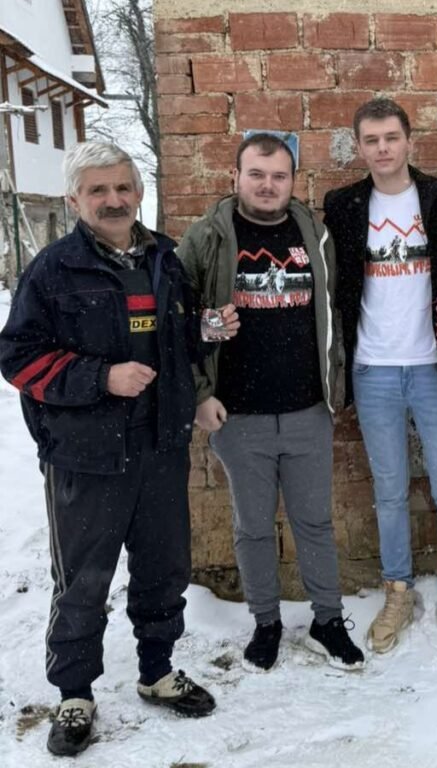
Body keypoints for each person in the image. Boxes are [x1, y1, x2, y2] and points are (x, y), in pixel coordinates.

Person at [0, 142, 223, 756]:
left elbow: (180, 336)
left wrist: (208, 335)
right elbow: (18, 358)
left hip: (160, 446)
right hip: (85, 455)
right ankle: (75, 693)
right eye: (97, 190)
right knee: (83, 581)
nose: (113, 199)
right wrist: (102, 377)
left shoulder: (165, 259)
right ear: (75, 200)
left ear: (139, 193)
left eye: (123, 187)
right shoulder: (53, 269)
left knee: (163, 570)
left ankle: (157, 671)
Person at [177, 133, 364, 672]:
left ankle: (328, 621)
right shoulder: (208, 236)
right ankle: (266, 623)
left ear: (292, 181)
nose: (267, 185)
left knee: (315, 523)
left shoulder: (315, 234)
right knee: (254, 527)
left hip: (308, 410)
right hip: (238, 415)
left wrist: (334, 386)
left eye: (278, 175)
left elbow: (334, 314)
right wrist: (200, 391)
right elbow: (175, 317)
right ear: (235, 177)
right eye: (256, 174)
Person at [322, 99, 437, 662]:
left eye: (391, 137)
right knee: (388, 491)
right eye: (371, 140)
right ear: (359, 147)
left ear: (409, 141)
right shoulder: (343, 205)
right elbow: (335, 287)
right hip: (374, 368)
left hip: (433, 366)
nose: (382, 148)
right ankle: (398, 589)